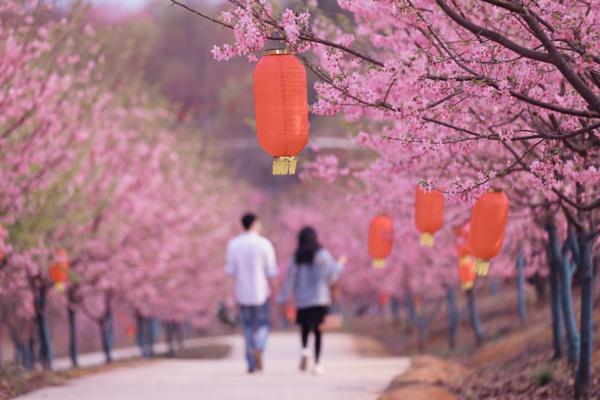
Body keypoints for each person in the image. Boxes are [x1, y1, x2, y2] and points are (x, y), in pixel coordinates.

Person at [277, 226, 345, 375]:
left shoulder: (296, 257)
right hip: (320, 299)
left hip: (302, 300)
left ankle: (305, 350)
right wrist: (340, 264)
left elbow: (290, 279)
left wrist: (283, 297)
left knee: (305, 328)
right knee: (319, 331)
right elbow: (331, 276)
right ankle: (318, 364)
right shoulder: (323, 255)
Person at [225, 213, 278, 373]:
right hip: (261, 292)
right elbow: (272, 271)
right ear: (255, 224)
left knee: (247, 328)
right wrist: (275, 292)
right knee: (263, 325)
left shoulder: (234, 244)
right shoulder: (264, 244)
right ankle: (259, 346)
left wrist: (229, 296)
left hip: (242, 292)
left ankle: (250, 362)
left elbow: (230, 273)